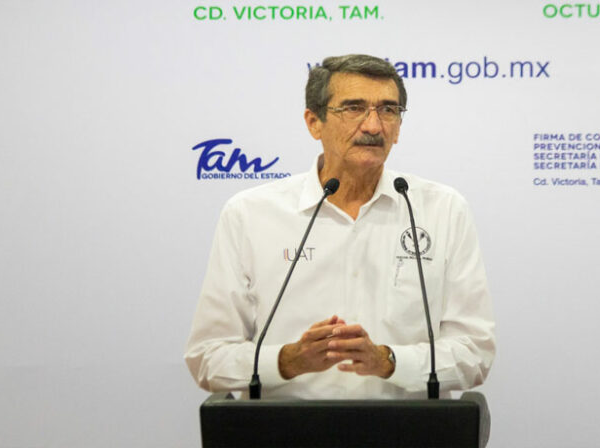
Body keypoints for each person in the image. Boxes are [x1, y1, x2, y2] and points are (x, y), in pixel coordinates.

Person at [185, 54, 495, 399]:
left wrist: (390, 361)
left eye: (388, 110)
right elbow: (207, 357)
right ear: (313, 122)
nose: (373, 126)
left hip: (406, 425)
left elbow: (475, 352)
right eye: (353, 108)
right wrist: (286, 361)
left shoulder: (442, 209)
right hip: (287, 425)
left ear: (398, 127)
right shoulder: (250, 214)